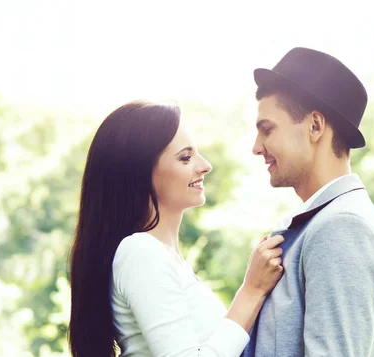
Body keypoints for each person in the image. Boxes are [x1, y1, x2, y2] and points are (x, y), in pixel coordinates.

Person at [68, 100, 285, 357]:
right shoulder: (140, 252)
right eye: (185, 157)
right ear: (139, 173)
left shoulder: (163, 257)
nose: (205, 166)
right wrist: (252, 291)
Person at [242, 47, 374, 357]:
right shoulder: (322, 221)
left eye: (267, 129)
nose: (256, 147)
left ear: (315, 126)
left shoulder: (343, 228)